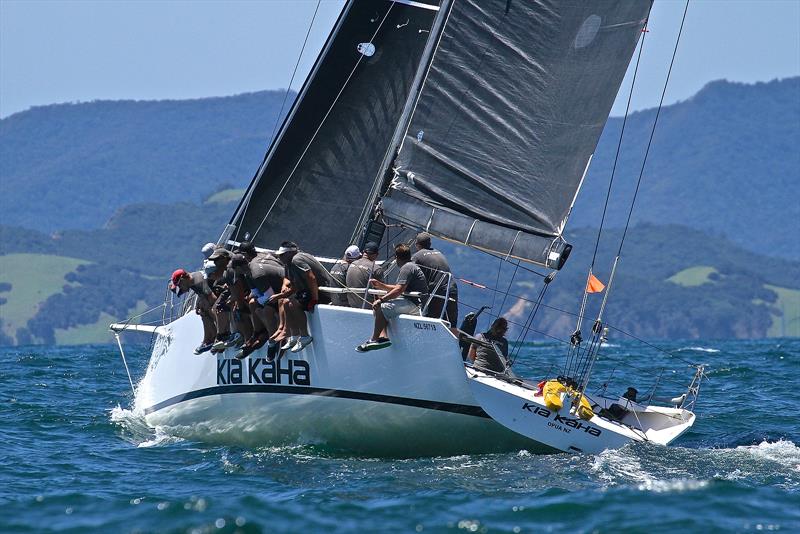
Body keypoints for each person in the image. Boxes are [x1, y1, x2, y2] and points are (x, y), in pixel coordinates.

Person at [356, 243, 427, 352]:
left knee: (381, 306)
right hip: (413, 301)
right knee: (380, 305)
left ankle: (374, 339)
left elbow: (398, 290)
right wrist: (381, 285)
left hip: (416, 304)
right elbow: (400, 287)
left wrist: (381, 300)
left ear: (396, 257)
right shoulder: (410, 266)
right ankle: (382, 337)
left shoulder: (406, 268)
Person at [271, 241, 333, 353]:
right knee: (285, 302)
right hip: (308, 290)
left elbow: (311, 278)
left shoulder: (296, 260)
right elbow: (294, 285)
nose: (280, 257)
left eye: (282, 255)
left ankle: (305, 336)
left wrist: (315, 299)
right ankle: (294, 336)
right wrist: (281, 295)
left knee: (292, 304)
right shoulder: (289, 264)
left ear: (290, 253)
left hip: (322, 292)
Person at [230, 252, 285, 359]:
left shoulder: (256, 274)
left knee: (266, 311)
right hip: (274, 292)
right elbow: (255, 293)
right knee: (252, 304)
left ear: (239, 267)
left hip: (284, 291)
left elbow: (270, 296)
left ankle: (273, 341)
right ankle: (258, 333)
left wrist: (259, 306)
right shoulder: (247, 273)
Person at [412, 232, 458, 325]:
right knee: (451, 325)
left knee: (432, 323)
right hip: (452, 289)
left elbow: (410, 274)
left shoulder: (417, 256)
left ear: (417, 244)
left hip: (438, 292)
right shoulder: (439, 252)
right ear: (430, 243)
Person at [170, 268, 218, 355]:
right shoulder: (191, 282)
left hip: (220, 292)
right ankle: (208, 339)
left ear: (183, 279)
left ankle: (219, 335)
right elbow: (202, 294)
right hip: (213, 292)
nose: (180, 289)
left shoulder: (197, 282)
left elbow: (213, 298)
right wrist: (199, 304)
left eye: (179, 285)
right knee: (202, 310)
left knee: (208, 309)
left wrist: (207, 306)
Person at [345, 242, 380, 308]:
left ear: (363, 252)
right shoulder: (377, 269)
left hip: (351, 306)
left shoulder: (351, 264)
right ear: (376, 254)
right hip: (368, 308)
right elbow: (381, 293)